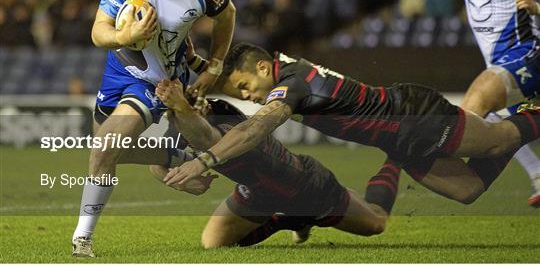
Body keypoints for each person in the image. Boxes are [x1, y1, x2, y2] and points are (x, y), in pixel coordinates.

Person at [164, 43, 540, 210]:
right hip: (398, 141)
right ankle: (526, 111)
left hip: (413, 117)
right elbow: (223, 73)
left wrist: (204, 161)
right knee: (469, 191)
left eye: (245, 87)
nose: (249, 97)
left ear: (263, 68)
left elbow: (255, 130)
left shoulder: (290, 82)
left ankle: (530, 114)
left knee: (498, 141)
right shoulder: (281, 72)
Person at [71, 0, 236, 257]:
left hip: (156, 80)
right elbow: (98, 30)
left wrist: (215, 64)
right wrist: (123, 36)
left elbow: (227, 14)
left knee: (106, 148)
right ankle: (175, 157)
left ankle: (82, 239)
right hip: (117, 69)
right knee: (104, 152)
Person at [152, 79, 397, 248]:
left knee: (376, 223)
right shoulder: (179, 125)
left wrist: (181, 107)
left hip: (305, 185)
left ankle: (396, 157)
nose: (199, 102)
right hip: (258, 193)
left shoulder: (221, 113)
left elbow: (205, 137)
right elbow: (155, 162)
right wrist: (181, 185)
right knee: (213, 243)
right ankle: (287, 219)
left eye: (195, 98)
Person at [412, 0, 540, 207]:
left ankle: (424, 160)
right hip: (496, 62)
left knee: (471, 112)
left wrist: (536, 8)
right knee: (501, 124)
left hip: (528, 53)